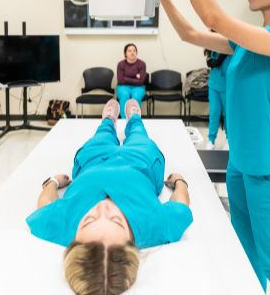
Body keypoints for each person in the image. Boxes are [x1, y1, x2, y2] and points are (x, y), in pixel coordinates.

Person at [147, 0, 270, 295]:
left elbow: (214, 19)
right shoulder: (246, 43)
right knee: (247, 257)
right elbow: (190, 33)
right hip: (241, 165)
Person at [26, 99, 192, 295]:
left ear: (75, 241)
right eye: (116, 220)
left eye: (88, 220)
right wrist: (180, 181)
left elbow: (45, 205)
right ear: (132, 243)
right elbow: (181, 206)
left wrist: (53, 181)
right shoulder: (152, 227)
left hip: (94, 160)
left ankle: (108, 120)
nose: (103, 209)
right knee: (139, 135)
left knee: (102, 135)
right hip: (141, 162)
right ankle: (135, 119)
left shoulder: (61, 227)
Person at [204, 48, 232, 150]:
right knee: (214, 112)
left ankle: (229, 140)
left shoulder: (228, 44)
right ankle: (211, 140)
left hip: (227, 86)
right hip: (214, 84)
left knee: (228, 114)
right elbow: (210, 62)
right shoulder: (212, 46)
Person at [116, 43, 147, 118]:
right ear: (125, 53)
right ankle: (124, 120)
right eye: (129, 51)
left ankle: (134, 119)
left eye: (134, 50)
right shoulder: (121, 64)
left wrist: (126, 78)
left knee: (136, 97)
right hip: (123, 87)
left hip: (139, 87)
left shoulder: (142, 64)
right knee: (124, 95)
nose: (132, 52)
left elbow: (141, 81)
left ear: (136, 52)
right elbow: (120, 80)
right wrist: (135, 77)